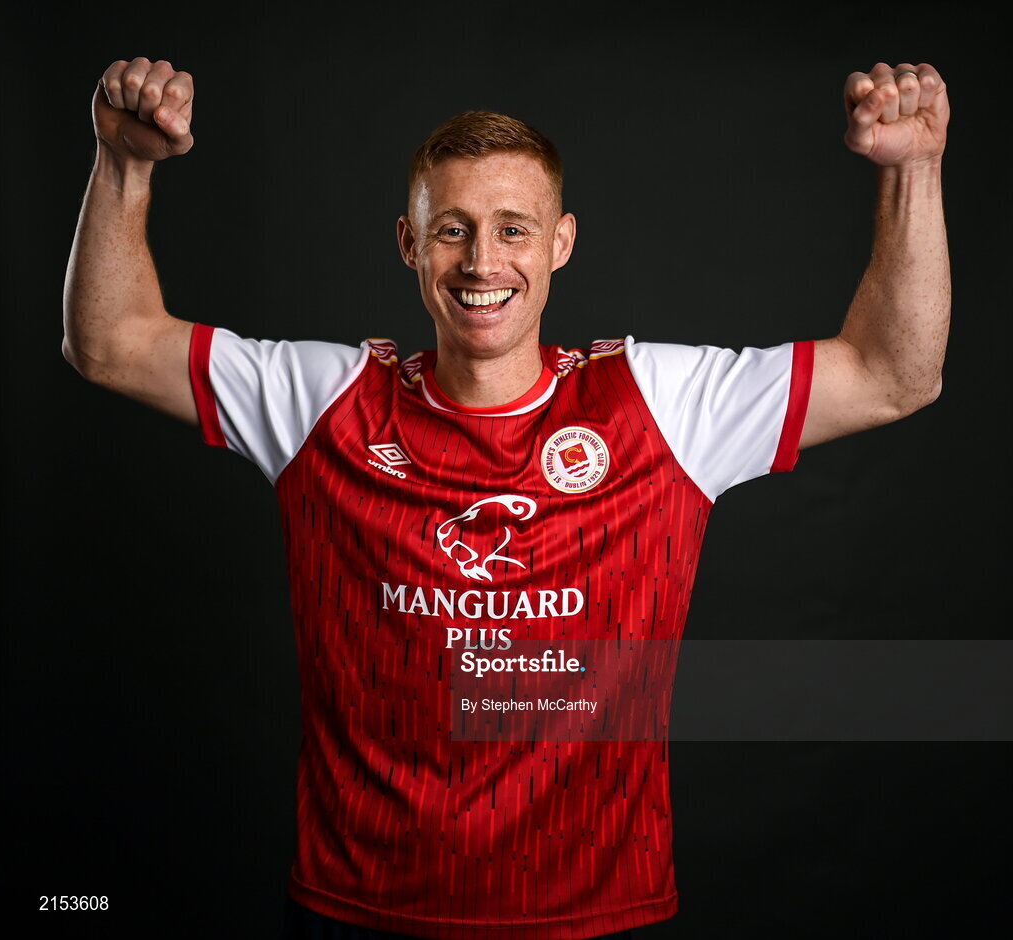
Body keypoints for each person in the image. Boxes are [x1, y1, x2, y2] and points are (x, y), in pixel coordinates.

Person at [63, 56, 950, 940]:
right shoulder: (321, 401)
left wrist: (913, 170)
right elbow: (108, 342)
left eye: (513, 230)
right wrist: (122, 163)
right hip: (358, 907)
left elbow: (892, 374)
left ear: (561, 242)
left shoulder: (661, 405)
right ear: (408, 243)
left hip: (594, 916)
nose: (482, 261)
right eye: (451, 230)